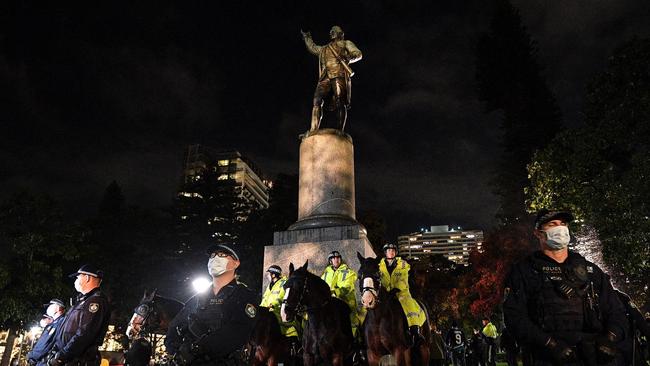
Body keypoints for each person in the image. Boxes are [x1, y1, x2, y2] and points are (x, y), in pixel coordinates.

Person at [503, 209, 627, 365]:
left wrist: (610, 338)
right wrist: (550, 344)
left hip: (592, 356)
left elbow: (616, 310)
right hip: (546, 358)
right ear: (538, 233)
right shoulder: (524, 272)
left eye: (563, 224)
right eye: (552, 224)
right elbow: (514, 317)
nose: (560, 228)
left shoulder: (591, 271)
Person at [165, 244, 259, 365]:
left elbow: (238, 331)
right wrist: (177, 352)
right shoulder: (198, 297)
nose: (215, 259)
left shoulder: (244, 296)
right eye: (212, 256)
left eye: (222, 255)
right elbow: (175, 326)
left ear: (236, 263)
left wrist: (197, 349)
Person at [301, 25, 362, 132]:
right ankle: (313, 130)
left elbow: (358, 54)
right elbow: (313, 48)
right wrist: (307, 37)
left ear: (341, 33)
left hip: (339, 74)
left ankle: (340, 131)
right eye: (331, 31)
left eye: (334, 31)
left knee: (340, 102)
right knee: (317, 101)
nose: (331, 33)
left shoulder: (346, 43)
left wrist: (347, 57)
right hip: (325, 77)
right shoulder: (325, 48)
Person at [49, 265, 111, 366]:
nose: (76, 281)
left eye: (78, 277)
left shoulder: (96, 302)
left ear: (87, 278)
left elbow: (85, 333)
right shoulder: (83, 300)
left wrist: (63, 355)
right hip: (67, 359)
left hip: (77, 360)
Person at [378, 243, 427, 345]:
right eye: (389, 250)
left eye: (393, 250)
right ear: (385, 253)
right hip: (385, 294)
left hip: (401, 293)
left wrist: (395, 289)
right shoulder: (379, 265)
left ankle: (415, 331)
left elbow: (403, 279)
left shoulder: (403, 264)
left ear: (396, 252)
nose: (391, 252)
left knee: (409, 306)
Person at [259, 265, 299, 352]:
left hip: (278, 312)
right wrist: (260, 309)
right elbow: (264, 299)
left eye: (269, 274)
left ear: (273, 275)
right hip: (266, 312)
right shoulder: (270, 286)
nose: (267, 276)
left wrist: (272, 305)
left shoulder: (283, 283)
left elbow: (282, 297)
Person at [321, 251, 360, 336]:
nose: (336, 260)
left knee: (353, 323)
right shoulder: (325, 273)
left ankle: (356, 341)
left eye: (338, 258)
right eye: (334, 258)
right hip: (328, 302)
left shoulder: (348, 272)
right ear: (330, 261)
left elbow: (347, 287)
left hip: (346, 301)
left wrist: (335, 292)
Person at [28, 299, 66, 366]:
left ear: (57, 308)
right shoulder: (56, 323)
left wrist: (32, 356)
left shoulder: (59, 323)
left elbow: (45, 344)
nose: (48, 308)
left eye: (50, 306)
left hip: (44, 362)